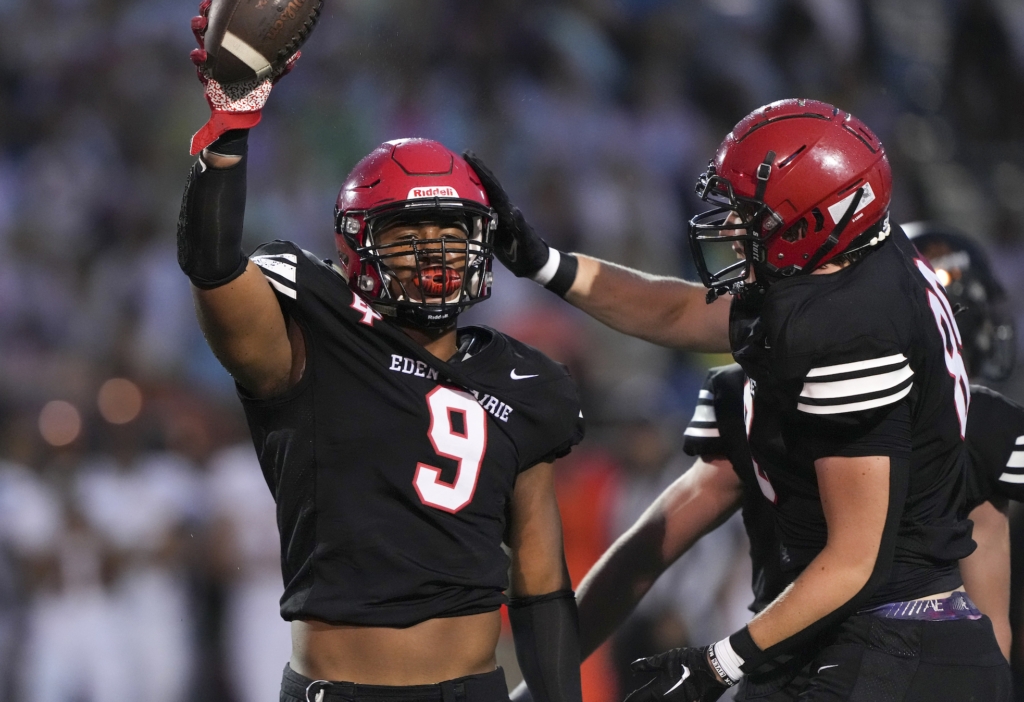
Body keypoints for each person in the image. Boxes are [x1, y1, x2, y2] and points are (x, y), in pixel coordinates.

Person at [469, 99, 1011, 700]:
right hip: (839, 640)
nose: (730, 228)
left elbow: (857, 561)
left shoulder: (850, 331)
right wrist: (543, 263)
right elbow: (677, 311)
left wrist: (719, 663)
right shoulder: (839, 275)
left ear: (813, 222)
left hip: (890, 643)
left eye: (751, 216)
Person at [179, 8, 586, 702]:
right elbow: (213, 266)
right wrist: (231, 125)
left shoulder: (526, 381)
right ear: (357, 246)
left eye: (451, 232)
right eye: (408, 232)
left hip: (471, 688)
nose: (433, 251)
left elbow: (541, 583)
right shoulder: (317, 328)